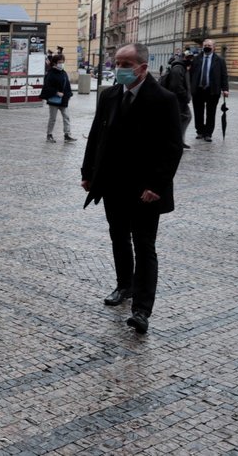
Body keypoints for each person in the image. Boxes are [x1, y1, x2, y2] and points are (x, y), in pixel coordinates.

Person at [81, 43, 183, 335]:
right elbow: (96, 136)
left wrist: (157, 186)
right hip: (113, 183)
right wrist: (88, 173)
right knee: (118, 237)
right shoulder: (110, 95)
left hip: (145, 189)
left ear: (142, 67)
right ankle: (123, 286)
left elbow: (172, 148)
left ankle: (142, 310)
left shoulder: (164, 99)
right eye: (117, 63)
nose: (120, 68)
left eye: (126, 64)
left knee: (145, 246)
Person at [189, 39, 228, 143]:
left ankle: (208, 134)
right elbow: (191, 74)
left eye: (209, 45)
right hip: (198, 89)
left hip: (212, 90)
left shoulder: (220, 60)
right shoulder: (196, 59)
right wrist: (189, 87)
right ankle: (200, 132)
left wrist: (225, 89)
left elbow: (224, 75)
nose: (207, 47)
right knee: (198, 112)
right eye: (205, 45)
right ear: (202, 46)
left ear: (214, 47)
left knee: (211, 113)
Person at [160, 51, 193, 149]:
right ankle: (176, 140)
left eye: (191, 58)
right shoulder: (178, 68)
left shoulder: (181, 66)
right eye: (188, 58)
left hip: (179, 98)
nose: (190, 60)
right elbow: (176, 86)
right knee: (184, 117)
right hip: (178, 99)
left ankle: (178, 140)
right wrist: (185, 96)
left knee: (184, 117)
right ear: (183, 57)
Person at [40, 53, 75, 143]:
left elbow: (67, 85)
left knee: (66, 117)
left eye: (62, 62)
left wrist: (68, 95)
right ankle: (49, 135)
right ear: (55, 63)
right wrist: (56, 92)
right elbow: (47, 86)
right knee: (53, 118)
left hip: (63, 100)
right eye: (60, 62)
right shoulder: (50, 73)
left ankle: (67, 135)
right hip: (54, 100)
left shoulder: (63, 72)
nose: (61, 64)